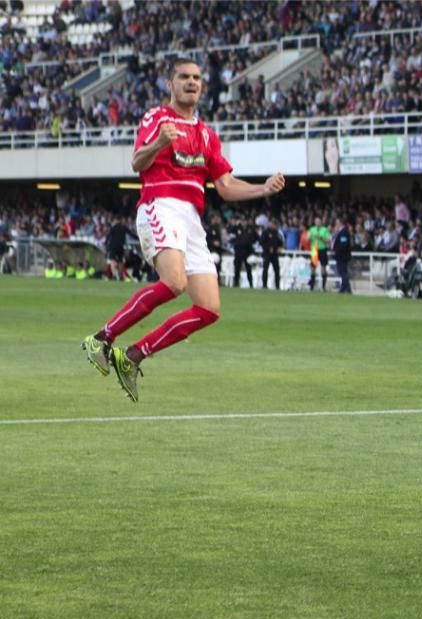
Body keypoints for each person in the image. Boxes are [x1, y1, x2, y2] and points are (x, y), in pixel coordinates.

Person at [81, 57, 285, 402]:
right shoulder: (157, 118)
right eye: (184, 77)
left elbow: (225, 185)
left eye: (196, 78)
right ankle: (101, 338)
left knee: (209, 308)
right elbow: (137, 163)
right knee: (175, 283)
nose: (191, 82)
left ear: (202, 85)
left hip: (191, 217)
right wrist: (159, 142)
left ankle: (134, 356)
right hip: (160, 205)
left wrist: (262, 189)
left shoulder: (206, 135)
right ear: (171, 84)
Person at [231, 218, 256, 288]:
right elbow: (231, 230)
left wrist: (251, 242)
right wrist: (236, 224)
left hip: (247, 250)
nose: (243, 222)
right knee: (237, 268)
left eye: (245, 221)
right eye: (242, 221)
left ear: (247, 222)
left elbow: (256, 237)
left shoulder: (250, 229)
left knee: (248, 268)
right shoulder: (237, 228)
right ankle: (236, 283)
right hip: (238, 250)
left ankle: (251, 284)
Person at [307, 217, 331, 291]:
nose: (317, 223)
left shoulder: (325, 230)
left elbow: (328, 241)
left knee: (323, 268)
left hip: (322, 249)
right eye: (316, 221)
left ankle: (323, 287)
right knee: (312, 268)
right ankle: (312, 286)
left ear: (321, 222)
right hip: (315, 250)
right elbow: (308, 239)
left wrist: (321, 238)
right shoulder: (312, 229)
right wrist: (309, 238)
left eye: (318, 221)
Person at [260, 219, 283, 289]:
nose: (273, 225)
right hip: (267, 254)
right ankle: (264, 285)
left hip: (275, 254)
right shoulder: (265, 232)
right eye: (272, 223)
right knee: (265, 269)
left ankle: (277, 286)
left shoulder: (277, 233)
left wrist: (279, 248)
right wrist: (268, 248)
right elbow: (262, 242)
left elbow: (280, 242)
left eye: (275, 224)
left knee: (277, 270)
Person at [332, 218, 353, 293]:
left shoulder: (343, 232)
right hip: (341, 255)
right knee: (342, 272)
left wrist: (336, 251)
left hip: (342, 256)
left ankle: (348, 289)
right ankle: (343, 289)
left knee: (342, 272)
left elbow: (343, 244)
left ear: (341, 223)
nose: (336, 224)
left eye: (337, 222)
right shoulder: (341, 231)